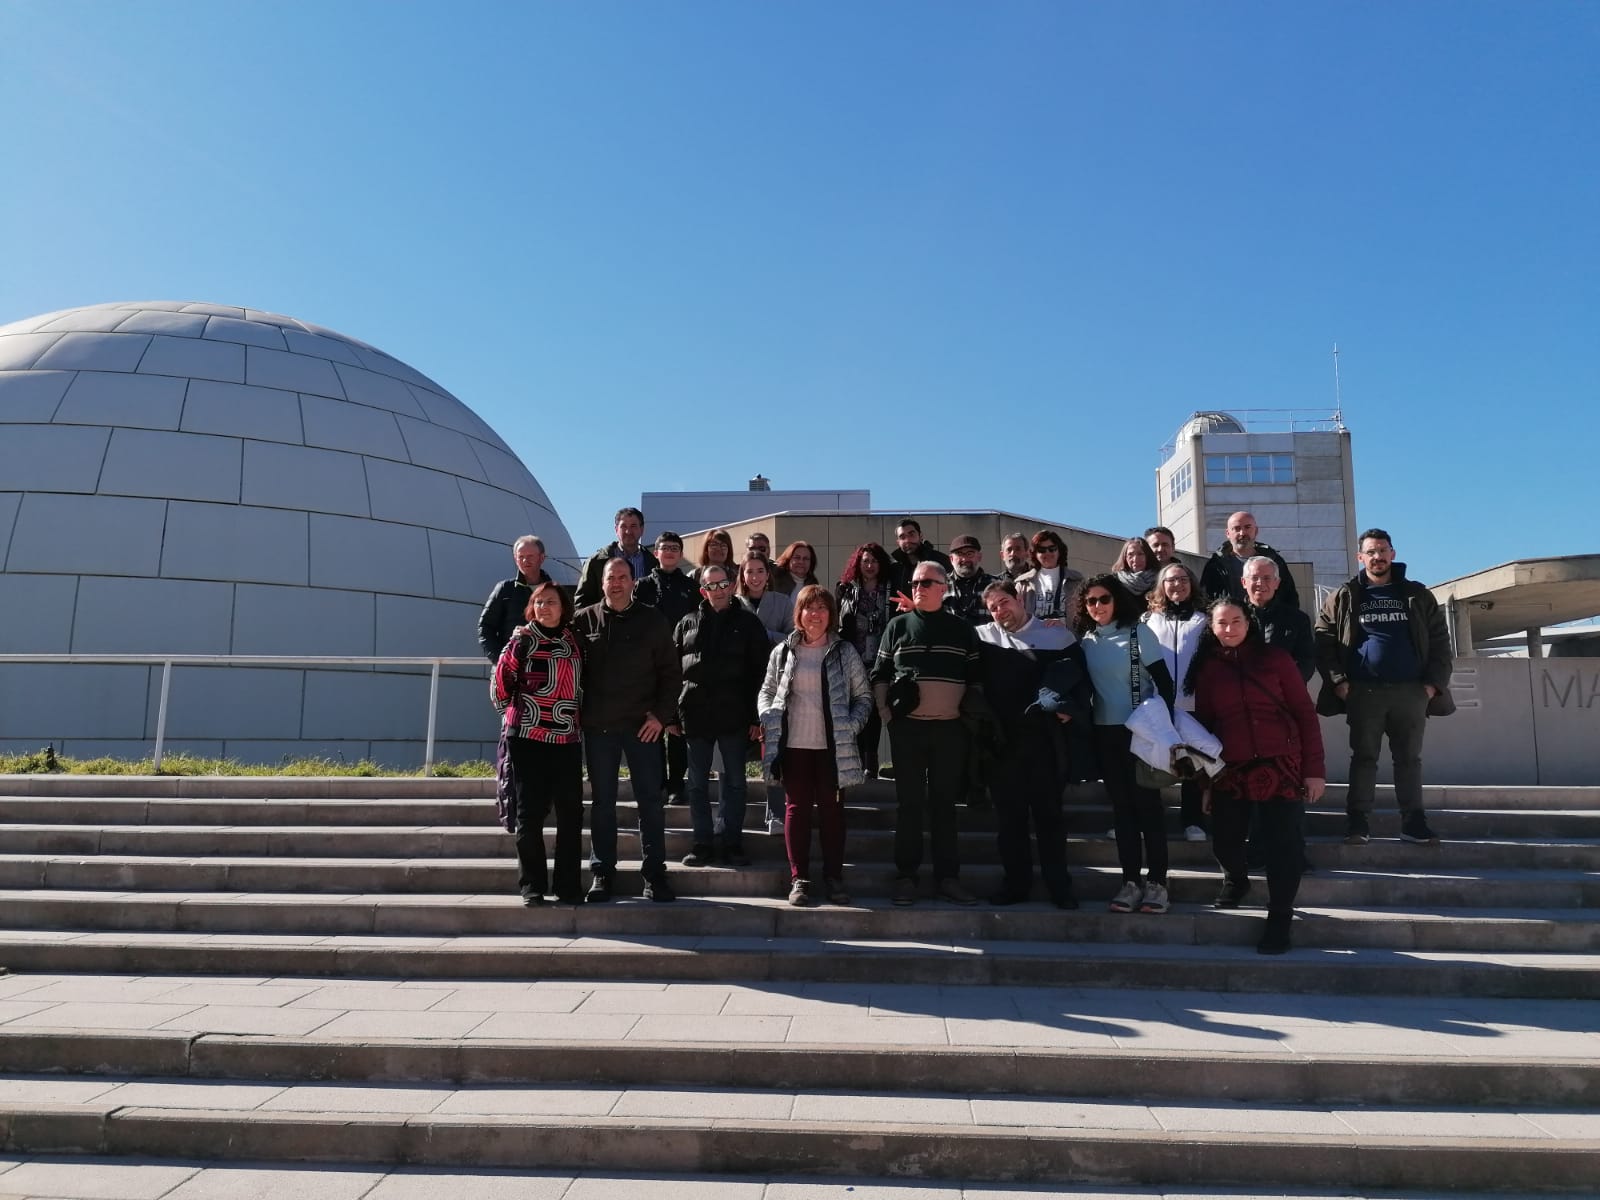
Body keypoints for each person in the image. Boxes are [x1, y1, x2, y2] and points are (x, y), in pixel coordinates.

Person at [1189, 598, 1326, 954]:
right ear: (1212, 628)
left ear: (1248, 623)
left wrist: (1314, 771)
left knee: (1284, 846)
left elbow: (1304, 713)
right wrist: (1205, 783)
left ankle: (1279, 917)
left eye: (1236, 621)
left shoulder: (1276, 659)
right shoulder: (1207, 669)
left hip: (1279, 762)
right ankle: (1237, 879)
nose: (1229, 629)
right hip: (1230, 767)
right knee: (1225, 841)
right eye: (1222, 623)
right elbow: (1204, 727)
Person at [1315, 528, 1453, 847]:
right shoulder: (1345, 594)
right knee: (1363, 758)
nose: (1377, 557)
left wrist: (1432, 686)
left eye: (1382, 550)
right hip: (1363, 692)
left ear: (1392, 553)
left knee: (1409, 759)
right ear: (1360, 557)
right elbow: (1323, 640)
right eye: (1371, 552)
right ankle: (1358, 822)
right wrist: (1339, 683)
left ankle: (1414, 822)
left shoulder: (1417, 594)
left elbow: (1440, 641)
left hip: (1411, 692)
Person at [871, 562, 982, 907]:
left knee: (944, 805)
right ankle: (907, 877)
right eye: (915, 581)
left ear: (943, 587)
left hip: (950, 731)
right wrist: (888, 716)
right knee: (909, 805)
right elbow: (880, 673)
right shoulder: (898, 625)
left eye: (926, 582)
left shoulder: (963, 629)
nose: (917, 586)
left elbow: (976, 679)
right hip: (908, 730)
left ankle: (948, 878)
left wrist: (966, 719)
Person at [571, 557, 680, 902]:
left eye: (622, 577)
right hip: (599, 728)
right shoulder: (583, 619)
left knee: (650, 803)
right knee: (602, 803)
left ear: (633, 582)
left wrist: (660, 717)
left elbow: (671, 674)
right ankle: (602, 873)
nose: (616, 583)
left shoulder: (653, 620)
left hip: (642, 729)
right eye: (610, 578)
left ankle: (655, 875)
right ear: (601, 583)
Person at [758, 585, 872, 906]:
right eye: (809, 608)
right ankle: (800, 879)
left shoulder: (844, 652)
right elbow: (766, 690)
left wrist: (851, 725)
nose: (816, 614)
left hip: (833, 749)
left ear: (831, 615)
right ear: (799, 614)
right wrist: (767, 715)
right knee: (797, 811)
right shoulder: (783, 651)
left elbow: (863, 697)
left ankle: (834, 878)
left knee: (833, 813)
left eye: (823, 608)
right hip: (794, 746)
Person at [977, 580, 1079, 909]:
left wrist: (1069, 709)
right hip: (1003, 744)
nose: (999, 611)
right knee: (1010, 822)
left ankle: (1059, 886)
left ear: (1020, 598)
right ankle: (1016, 885)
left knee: (1050, 819)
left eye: (1004, 602)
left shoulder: (1058, 636)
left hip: (1045, 742)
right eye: (992, 607)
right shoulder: (982, 637)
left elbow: (1080, 679)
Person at [1074, 574, 1170, 915]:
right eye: (1091, 601)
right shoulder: (1085, 640)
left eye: (1104, 599)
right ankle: (1130, 882)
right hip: (1105, 735)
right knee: (1123, 812)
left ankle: (1158, 883)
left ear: (1116, 600)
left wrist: (1164, 732)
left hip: (1140, 733)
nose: (1097, 606)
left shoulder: (1138, 632)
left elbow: (1165, 685)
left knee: (1149, 810)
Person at [671, 564, 773, 867]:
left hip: (735, 715)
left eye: (722, 584)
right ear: (703, 590)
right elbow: (673, 672)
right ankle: (702, 843)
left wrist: (757, 717)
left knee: (736, 783)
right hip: (695, 715)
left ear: (731, 586)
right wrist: (671, 715)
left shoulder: (749, 624)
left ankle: (732, 842)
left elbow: (761, 673)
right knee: (697, 784)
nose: (717, 590)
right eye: (710, 585)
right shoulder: (686, 624)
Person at [492, 581, 585, 906]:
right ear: (532, 606)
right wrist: (522, 715)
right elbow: (500, 687)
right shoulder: (522, 640)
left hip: (566, 738)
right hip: (528, 737)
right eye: (539, 602)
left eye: (552, 602)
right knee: (530, 815)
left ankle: (568, 886)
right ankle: (532, 886)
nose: (545, 607)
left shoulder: (574, 640)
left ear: (563, 607)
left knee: (571, 815)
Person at [1138, 562, 1209, 842]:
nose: (1176, 585)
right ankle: (1148, 821)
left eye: (1182, 579)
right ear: (1161, 586)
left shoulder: (1204, 620)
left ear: (1191, 583)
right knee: (1153, 764)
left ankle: (1192, 820)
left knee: (1191, 764)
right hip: (1157, 703)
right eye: (1170, 581)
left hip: (1193, 704)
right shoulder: (1147, 620)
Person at [634, 532, 699, 802]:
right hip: (650, 664)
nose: (670, 552)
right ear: (656, 552)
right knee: (654, 724)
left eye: (675, 548)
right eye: (665, 548)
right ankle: (657, 782)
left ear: (680, 553)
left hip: (682, 663)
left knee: (677, 726)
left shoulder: (690, 586)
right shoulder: (643, 585)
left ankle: (676, 785)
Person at [837, 542, 895, 778]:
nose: (869, 565)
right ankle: (858, 759)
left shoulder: (890, 589)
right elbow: (839, 624)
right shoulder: (846, 589)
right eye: (865, 561)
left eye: (874, 561)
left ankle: (871, 759)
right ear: (857, 564)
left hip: (882, 658)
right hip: (855, 657)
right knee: (857, 709)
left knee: (876, 709)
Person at [478, 535, 556, 663]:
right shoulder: (505, 589)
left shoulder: (556, 592)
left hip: (546, 667)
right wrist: (501, 660)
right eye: (521, 557)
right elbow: (485, 627)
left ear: (542, 558)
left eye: (530, 556)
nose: (525, 560)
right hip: (510, 668)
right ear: (515, 559)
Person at [1201, 511, 1299, 611]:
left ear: (1256, 531)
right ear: (1228, 533)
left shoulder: (1275, 562)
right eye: (1237, 528)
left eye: (1247, 527)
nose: (1242, 533)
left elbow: (1289, 597)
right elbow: (1206, 602)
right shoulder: (1216, 566)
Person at [1242, 556, 1314, 682]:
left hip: (1284, 695)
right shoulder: (1232, 617)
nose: (1260, 583)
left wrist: (1283, 686)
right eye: (1254, 578)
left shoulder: (1297, 619)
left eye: (1267, 578)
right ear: (1244, 582)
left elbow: (1306, 662)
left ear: (1277, 583)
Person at [575, 508, 658, 608]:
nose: (628, 531)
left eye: (633, 526)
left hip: (645, 622)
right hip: (606, 622)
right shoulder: (596, 562)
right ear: (616, 529)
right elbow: (582, 601)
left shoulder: (655, 564)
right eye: (623, 526)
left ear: (642, 529)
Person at [1014, 529, 1083, 626]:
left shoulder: (1077, 580)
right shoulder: (1023, 583)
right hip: (1033, 638)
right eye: (1041, 550)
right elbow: (1016, 615)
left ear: (1059, 551)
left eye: (1052, 549)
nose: (1047, 553)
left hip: (1067, 638)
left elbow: (1085, 615)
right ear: (1035, 554)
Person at [735, 554, 793, 642]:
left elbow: (794, 638)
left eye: (760, 571)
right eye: (750, 572)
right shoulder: (733, 603)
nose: (755, 577)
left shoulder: (783, 602)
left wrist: (768, 634)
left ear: (767, 575)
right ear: (743, 577)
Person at [889, 518, 951, 597]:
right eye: (902, 537)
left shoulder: (941, 561)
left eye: (911, 534)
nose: (907, 540)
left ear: (920, 536)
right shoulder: (894, 568)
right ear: (898, 542)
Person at [943, 535, 997, 626]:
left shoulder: (996, 585)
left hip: (985, 640)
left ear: (979, 557)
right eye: (959, 554)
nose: (965, 559)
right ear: (951, 559)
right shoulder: (939, 584)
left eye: (970, 554)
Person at [1114, 536, 1159, 605]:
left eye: (1140, 554)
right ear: (1124, 558)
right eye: (1130, 555)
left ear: (1148, 556)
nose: (1135, 559)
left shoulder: (1159, 581)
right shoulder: (1115, 582)